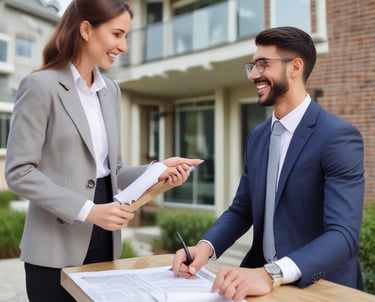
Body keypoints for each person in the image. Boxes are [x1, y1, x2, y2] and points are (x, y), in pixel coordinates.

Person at [5, 1, 202, 301]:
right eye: (117, 34)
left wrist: (158, 171)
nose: (123, 46)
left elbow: (113, 171)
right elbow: (19, 172)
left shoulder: (111, 91)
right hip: (54, 248)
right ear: (86, 29)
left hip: (105, 243)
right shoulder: (40, 86)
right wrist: (89, 211)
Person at [172, 26, 364, 301]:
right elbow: (242, 209)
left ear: (295, 67)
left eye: (263, 64)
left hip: (321, 286)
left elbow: (343, 236)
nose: (253, 74)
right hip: (259, 282)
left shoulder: (337, 137)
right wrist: (205, 247)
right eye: (252, 65)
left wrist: (271, 273)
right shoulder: (258, 137)